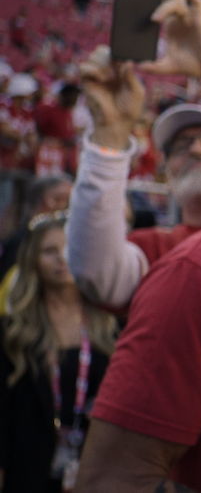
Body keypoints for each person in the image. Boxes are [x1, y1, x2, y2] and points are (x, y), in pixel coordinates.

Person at [67, 0, 201, 310]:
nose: (196, 149)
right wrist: (111, 133)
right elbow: (96, 273)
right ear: (169, 174)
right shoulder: (152, 250)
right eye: (180, 146)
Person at [0, 211, 117, 492]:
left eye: (68, 247)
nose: (61, 258)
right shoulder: (13, 331)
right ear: (32, 260)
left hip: (97, 471)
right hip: (27, 472)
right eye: (49, 250)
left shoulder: (111, 323)